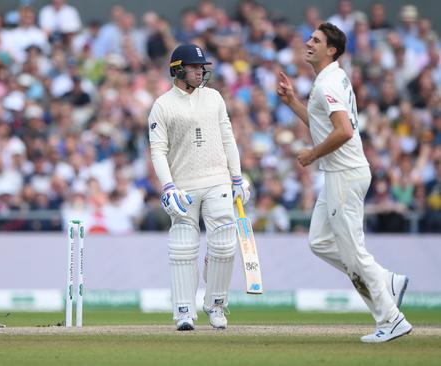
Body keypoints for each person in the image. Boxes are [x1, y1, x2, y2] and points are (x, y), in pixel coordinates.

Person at [277, 23, 411, 343]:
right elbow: (326, 126)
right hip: (341, 174)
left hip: (345, 175)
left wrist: (311, 155)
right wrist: (292, 102)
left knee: (353, 253)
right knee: (320, 241)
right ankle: (385, 280)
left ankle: (391, 319)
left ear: (331, 50)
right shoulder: (328, 78)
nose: (308, 43)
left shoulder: (329, 83)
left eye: (316, 40)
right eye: (310, 38)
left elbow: (344, 132)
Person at [148, 44, 250, 331]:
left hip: (217, 179)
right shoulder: (162, 105)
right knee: (182, 247)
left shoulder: (214, 97)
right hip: (183, 187)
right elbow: (158, 150)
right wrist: (168, 187)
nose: (200, 71)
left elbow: (228, 138)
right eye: (194, 67)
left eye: (201, 67)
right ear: (177, 69)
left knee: (224, 243)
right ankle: (183, 311)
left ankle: (216, 305)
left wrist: (237, 177)